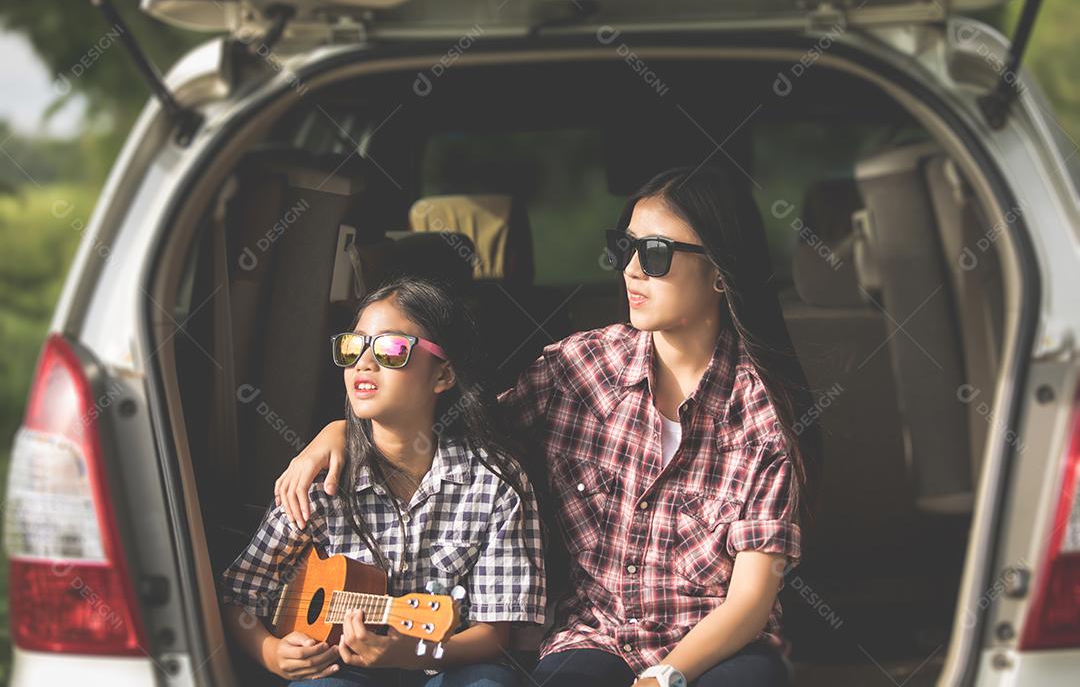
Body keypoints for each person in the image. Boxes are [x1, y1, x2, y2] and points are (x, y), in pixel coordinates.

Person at [274, 165, 822, 686]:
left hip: (718, 644)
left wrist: (665, 675)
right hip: (594, 634)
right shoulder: (578, 369)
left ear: (721, 271)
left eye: (655, 254)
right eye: (625, 247)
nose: (631, 269)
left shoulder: (762, 414)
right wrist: (341, 431)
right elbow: (452, 434)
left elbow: (749, 601)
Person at [219, 276, 546, 686]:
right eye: (352, 347)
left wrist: (411, 654)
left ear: (443, 375)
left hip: (447, 663)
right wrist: (269, 653)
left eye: (390, 350)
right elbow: (239, 593)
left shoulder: (493, 481)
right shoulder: (320, 479)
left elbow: (492, 635)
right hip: (342, 668)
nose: (364, 362)